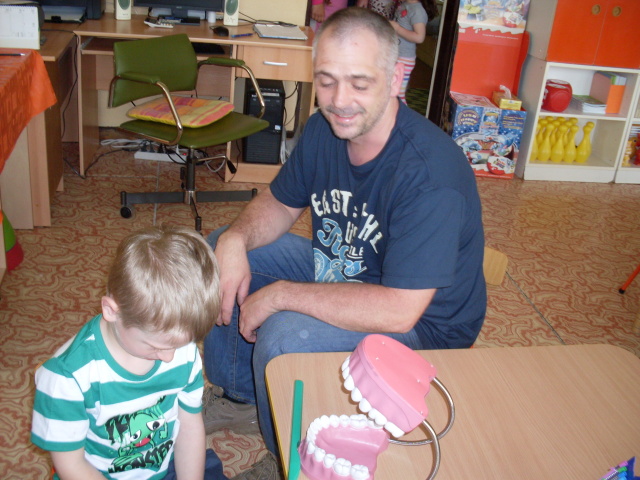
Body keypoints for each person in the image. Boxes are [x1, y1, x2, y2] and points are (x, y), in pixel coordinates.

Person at [202, 6, 486, 477]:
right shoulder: (323, 128)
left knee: (284, 334)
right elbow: (279, 205)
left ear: (396, 79)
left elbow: (398, 310)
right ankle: (241, 396)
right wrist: (233, 238)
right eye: (327, 80)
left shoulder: (430, 174)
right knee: (223, 250)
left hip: (425, 326)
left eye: (359, 83)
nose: (340, 100)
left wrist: (280, 296)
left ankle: (286, 460)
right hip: (348, 270)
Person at [31, 225, 228, 480]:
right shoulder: (67, 378)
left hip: (164, 465)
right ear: (111, 311)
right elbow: (72, 466)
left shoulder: (180, 350)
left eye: (178, 346)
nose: (170, 358)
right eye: (155, 347)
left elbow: (189, 425)